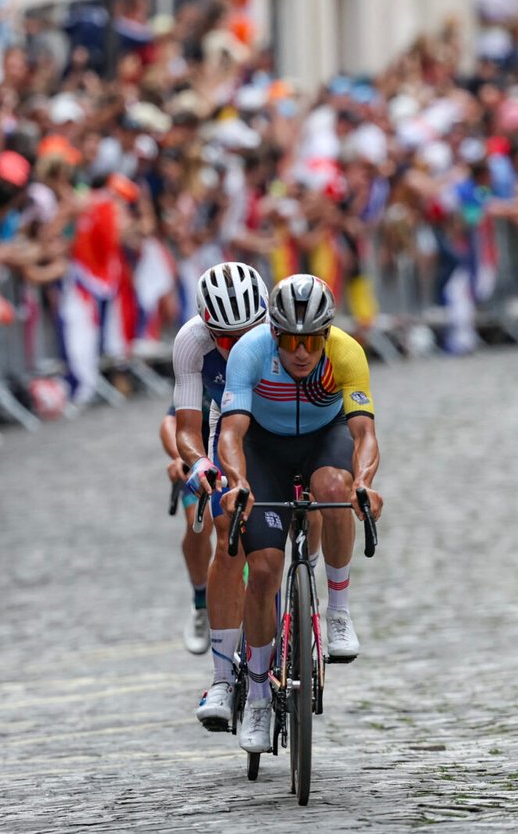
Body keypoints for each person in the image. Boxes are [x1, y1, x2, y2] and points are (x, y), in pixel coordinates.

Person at [215, 275, 382, 755]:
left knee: (335, 487)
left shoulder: (347, 353)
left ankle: (339, 612)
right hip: (262, 447)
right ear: (274, 333)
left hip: (321, 439)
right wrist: (239, 482)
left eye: (312, 341)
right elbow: (231, 433)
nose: (302, 353)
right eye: (290, 340)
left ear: (327, 335)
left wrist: (364, 482)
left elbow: (364, 435)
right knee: (264, 568)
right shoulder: (249, 352)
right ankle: (260, 698)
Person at [163, 262, 269, 730]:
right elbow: (186, 428)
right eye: (225, 338)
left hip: (278, 426)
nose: (237, 347)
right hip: (220, 428)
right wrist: (197, 463)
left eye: (247, 335)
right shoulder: (190, 342)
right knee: (223, 527)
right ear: (207, 326)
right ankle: (223, 677)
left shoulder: (280, 331)